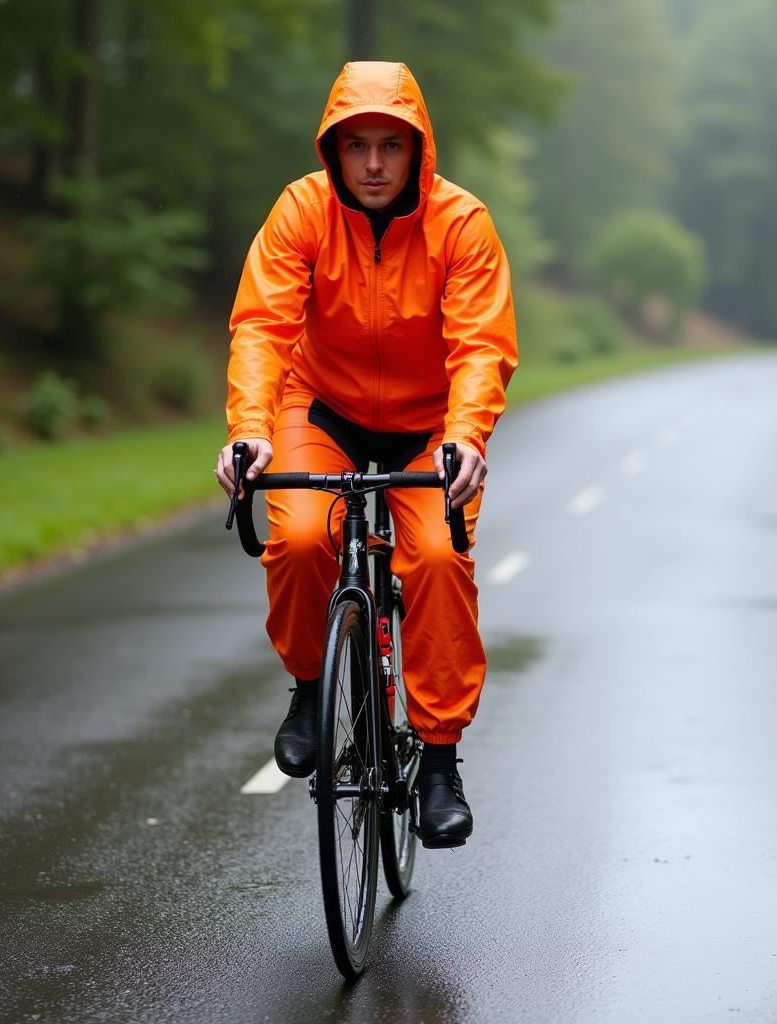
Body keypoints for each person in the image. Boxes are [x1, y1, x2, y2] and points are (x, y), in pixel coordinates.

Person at [216, 61, 517, 848]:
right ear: (333, 151)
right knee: (305, 536)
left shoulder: (462, 224)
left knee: (440, 563)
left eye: (391, 145)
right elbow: (261, 329)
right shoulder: (302, 212)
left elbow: (481, 345)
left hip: (427, 427)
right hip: (321, 407)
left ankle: (442, 762)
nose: (375, 164)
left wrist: (466, 439)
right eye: (358, 147)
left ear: (419, 150)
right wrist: (248, 430)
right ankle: (311, 688)